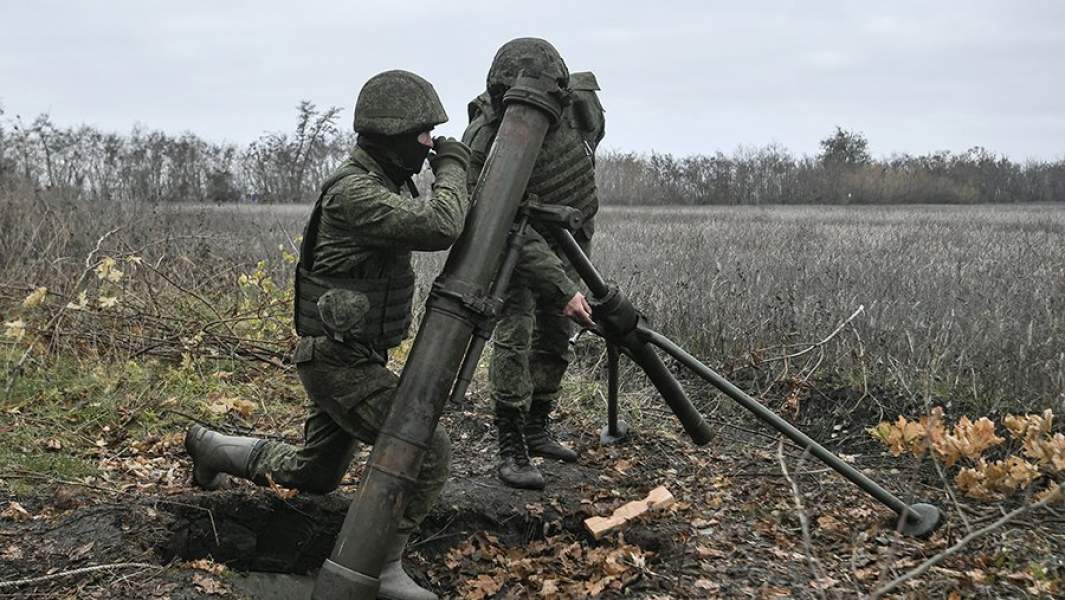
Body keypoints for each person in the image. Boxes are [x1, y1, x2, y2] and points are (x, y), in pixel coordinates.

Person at [184, 69, 471, 600]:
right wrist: (454, 166)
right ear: (394, 135)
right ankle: (380, 568)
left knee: (315, 473)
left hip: (348, 356)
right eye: (425, 134)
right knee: (427, 448)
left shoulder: (383, 180)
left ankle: (213, 448)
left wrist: (463, 149)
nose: (431, 144)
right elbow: (441, 226)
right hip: (337, 363)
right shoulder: (356, 192)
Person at [463, 38, 605, 490]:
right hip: (511, 252)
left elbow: (581, 167)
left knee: (556, 335)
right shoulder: (485, 137)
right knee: (515, 336)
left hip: (566, 242)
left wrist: (569, 277)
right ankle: (511, 446)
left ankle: (538, 427)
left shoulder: (582, 111)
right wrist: (563, 290)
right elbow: (497, 222)